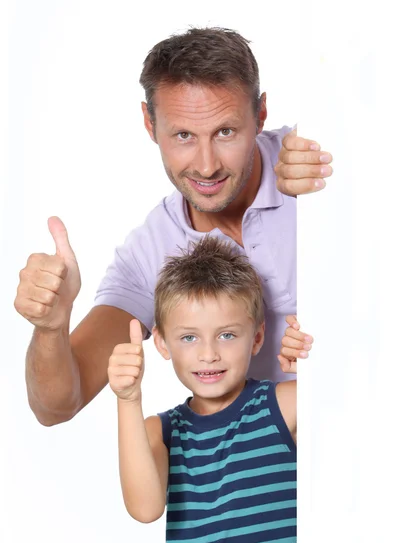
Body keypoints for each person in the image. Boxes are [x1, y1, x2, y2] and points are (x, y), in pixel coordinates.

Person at [14, 27, 331, 426]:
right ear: (150, 124)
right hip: (275, 476)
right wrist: (50, 328)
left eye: (226, 132)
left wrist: (343, 173)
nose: (206, 165)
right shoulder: (151, 252)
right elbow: (56, 406)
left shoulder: (313, 156)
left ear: (260, 114)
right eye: (183, 135)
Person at [109, 236, 297, 543]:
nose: (209, 354)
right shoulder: (160, 431)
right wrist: (128, 400)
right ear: (162, 343)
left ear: (257, 337)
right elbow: (145, 509)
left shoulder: (283, 406)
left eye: (227, 335)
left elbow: (363, 408)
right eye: (189, 338)